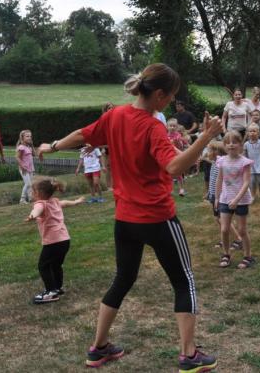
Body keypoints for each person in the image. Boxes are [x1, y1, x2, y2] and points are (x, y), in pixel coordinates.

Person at [37, 63, 224, 371]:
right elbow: (175, 167)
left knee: (123, 279)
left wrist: (53, 145)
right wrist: (206, 137)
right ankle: (190, 356)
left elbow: (82, 135)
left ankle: (98, 348)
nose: (170, 103)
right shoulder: (152, 127)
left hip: (125, 219)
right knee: (184, 281)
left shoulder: (115, 116)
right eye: (171, 97)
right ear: (160, 95)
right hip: (157, 217)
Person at [24, 177, 85, 304]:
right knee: (56, 265)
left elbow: (37, 210)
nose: (32, 194)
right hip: (64, 240)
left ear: (39, 194)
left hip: (53, 242)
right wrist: (76, 202)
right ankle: (57, 287)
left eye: (33, 191)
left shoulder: (41, 204)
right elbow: (66, 203)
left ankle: (51, 292)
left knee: (43, 265)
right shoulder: (55, 202)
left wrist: (32, 216)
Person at [215, 130, 255, 270]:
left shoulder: (244, 162)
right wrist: (216, 197)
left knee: (242, 230)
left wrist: (237, 200)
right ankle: (226, 254)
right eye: (228, 142)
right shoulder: (221, 161)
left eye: (234, 142)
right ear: (224, 145)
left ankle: (248, 255)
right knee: (225, 229)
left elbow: (246, 183)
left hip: (241, 200)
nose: (231, 145)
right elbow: (219, 179)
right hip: (225, 198)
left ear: (240, 144)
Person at [207, 141, 243, 251]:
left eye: (209, 150)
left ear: (216, 152)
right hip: (214, 195)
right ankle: (225, 239)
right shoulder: (215, 162)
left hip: (221, 196)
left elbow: (223, 180)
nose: (207, 153)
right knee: (218, 219)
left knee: (222, 219)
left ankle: (238, 239)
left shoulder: (220, 164)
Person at [243, 123, 260, 200]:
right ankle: (253, 195)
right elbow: (244, 155)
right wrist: (245, 162)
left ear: (258, 133)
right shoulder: (246, 144)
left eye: (254, 131)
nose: (252, 133)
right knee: (252, 181)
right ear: (247, 133)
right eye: (250, 131)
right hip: (251, 165)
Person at [166, 118, 187, 197]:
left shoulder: (178, 135)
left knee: (178, 173)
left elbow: (183, 143)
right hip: (168, 156)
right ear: (167, 127)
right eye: (170, 126)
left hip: (177, 156)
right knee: (168, 173)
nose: (172, 127)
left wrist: (180, 142)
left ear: (177, 127)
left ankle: (181, 189)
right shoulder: (166, 136)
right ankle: (170, 189)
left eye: (174, 126)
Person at [16, 129, 36, 204]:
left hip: (30, 168)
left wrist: (32, 145)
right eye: (27, 136)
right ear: (22, 138)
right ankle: (22, 199)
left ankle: (30, 198)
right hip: (24, 169)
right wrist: (22, 166)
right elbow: (17, 157)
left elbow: (34, 154)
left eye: (30, 136)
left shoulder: (29, 147)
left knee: (31, 184)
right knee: (28, 184)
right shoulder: (21, 147)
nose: (29, 137)